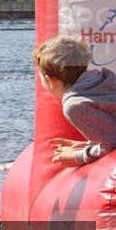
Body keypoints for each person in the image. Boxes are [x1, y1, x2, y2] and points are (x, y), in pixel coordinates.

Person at [33, 35, 116, 167]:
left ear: (51, 80)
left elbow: (112, 145)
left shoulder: (75, 105)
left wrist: (77, 156)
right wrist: (86, 144)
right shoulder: (101, 78)